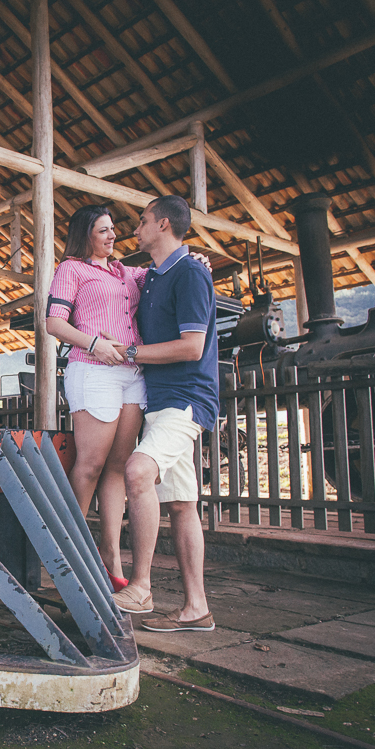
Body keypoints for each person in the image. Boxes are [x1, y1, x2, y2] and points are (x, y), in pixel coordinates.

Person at [109, 195, 219, 632]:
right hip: (161, 402)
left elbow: (193, 346)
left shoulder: (190, 273)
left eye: (142, 221)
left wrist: (132, 353)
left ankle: (140, 587)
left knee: (137, 472)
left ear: (164, 224)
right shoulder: (154, 276)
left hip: (186, 398)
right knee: (182, 505)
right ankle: (197, 609)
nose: (135, 229)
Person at [44, 205, 147, 592]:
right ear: (86, 234)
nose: (112, 236)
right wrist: (94, 343)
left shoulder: (125, 272)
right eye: (103, 230)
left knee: (118, 466)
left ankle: (110, 555)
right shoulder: (71, 269)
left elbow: (162, 269)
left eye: (113, 230)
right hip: (93, 368)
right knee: (90, 464)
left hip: (132, 374)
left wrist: (196, 259)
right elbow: (54, 323)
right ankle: (68, 555)